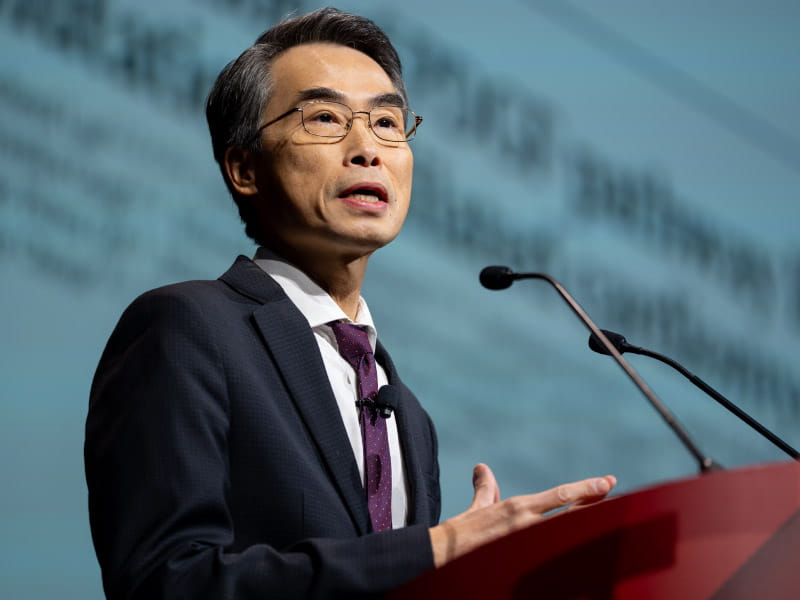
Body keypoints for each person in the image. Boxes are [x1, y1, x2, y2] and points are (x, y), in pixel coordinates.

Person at [84, 8, 616, 599]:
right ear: (244, 168)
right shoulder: (187, 327)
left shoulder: (409, 415)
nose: (368, 149)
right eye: (325, 118)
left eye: (387, 122)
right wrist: (436, 549)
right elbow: (165, 581)